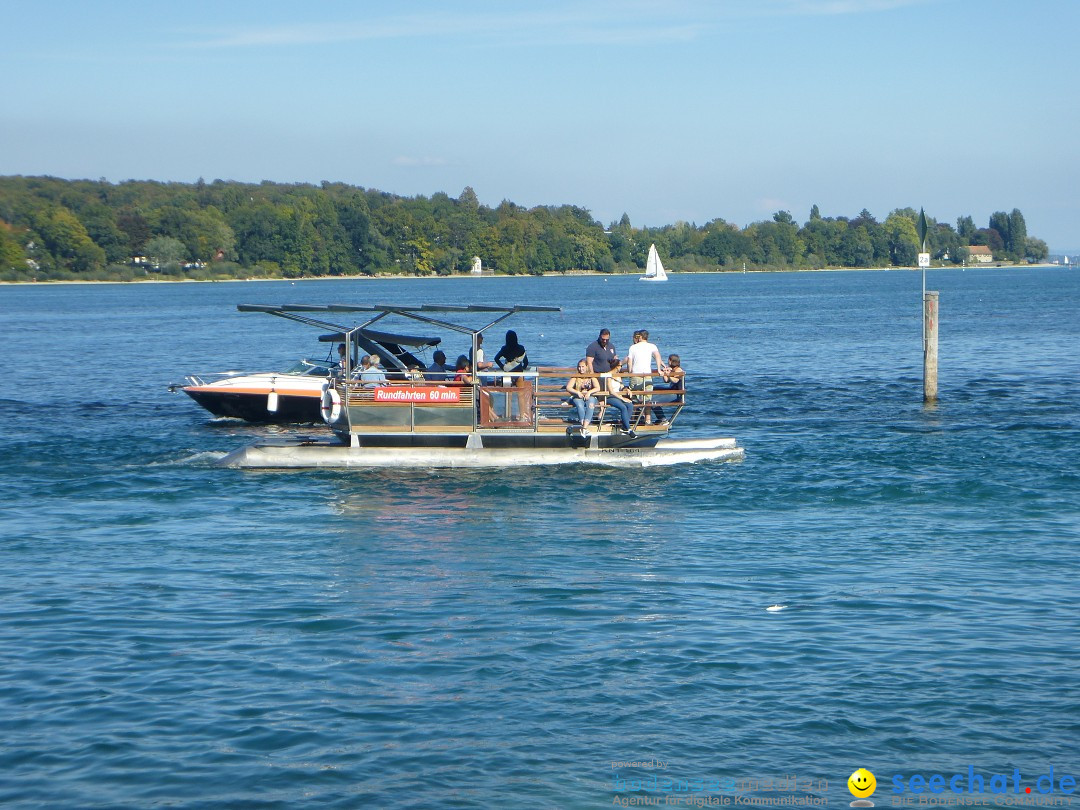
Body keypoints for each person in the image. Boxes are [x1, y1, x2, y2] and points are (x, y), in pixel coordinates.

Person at [625, 329, 667, 424]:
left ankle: (633, 419)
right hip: (647, 375)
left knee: (634, 398)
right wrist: (659, 369)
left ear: (640, 337)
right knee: (647, 399)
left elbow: (629, 361)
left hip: (635, 374)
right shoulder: (652, 346)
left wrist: (630, 372)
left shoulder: (633, 347)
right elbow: (657, 356)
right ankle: (648, 420)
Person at [494, 330, 531, 421]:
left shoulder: (504, 348)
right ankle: (522, 416)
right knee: (520, 395)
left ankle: (508, 416)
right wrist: (523, 368)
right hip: (519, 372)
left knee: (508, 394)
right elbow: (526, 362)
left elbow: (496, 358)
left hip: (508, 373)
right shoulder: (521, 348)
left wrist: (503, 367)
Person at [566, 359, 599, 436]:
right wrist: (577, 392)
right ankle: (584, 427)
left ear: (587, 367)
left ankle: (584, 428)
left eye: (583, 367)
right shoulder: (576, 376)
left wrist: (589, 392)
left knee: (590, 405)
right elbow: (568, 387)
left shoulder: (591, 376)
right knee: (579, 405)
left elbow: (597, 387)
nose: (581, 369)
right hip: (578, 397)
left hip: (589, 396)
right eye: (579, 367)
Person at [602, 364, 637, 437]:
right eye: (620, 365)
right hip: (610, 397)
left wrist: (627, 390)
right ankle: (629, 429)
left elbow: (622, 386)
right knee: (623, 407)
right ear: (617, 366)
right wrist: (622, 398)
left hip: (618, 396)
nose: (621, 367)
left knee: (630, 405)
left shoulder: (618, 376)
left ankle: (624, 426)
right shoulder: (608, 376)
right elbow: (611, 391)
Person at [651, 354, 684, 425]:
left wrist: (668, 374)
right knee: (653, 389)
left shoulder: (679, 370)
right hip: (671, 391)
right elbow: (666, 381)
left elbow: (675, 380)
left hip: (677, 394)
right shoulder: (672, 369)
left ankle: (662, 419)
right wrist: (665, 373)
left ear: (671, 361)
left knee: (653, 402)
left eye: (668, 360)